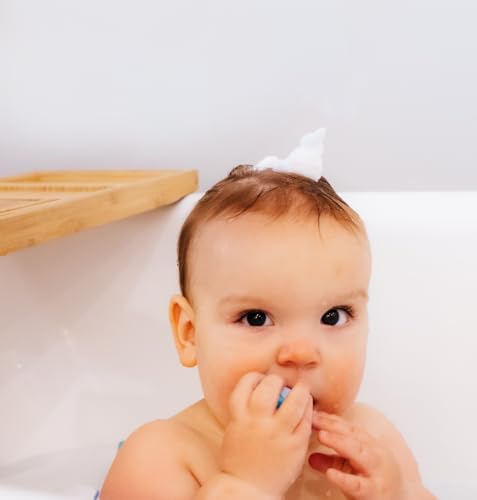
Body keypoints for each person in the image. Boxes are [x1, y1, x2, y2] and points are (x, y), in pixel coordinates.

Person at [100, 131, 436, 499]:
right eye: (255, 318)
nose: (302, 353)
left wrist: (401, 494)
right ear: (189, 333)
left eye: (334, 316)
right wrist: (245, 483)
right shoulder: (160, 455)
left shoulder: (372, 439)